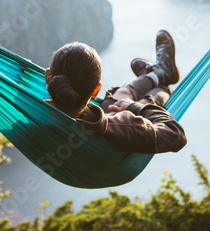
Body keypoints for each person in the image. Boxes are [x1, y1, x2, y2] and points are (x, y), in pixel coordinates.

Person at [45, 30, 187, 154]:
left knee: (119, 96)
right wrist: (134, 106)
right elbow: (176, 135)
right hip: (108, 133)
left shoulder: (32, 111)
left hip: (83, 125)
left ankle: (157, 74)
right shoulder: (124, 127)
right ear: (96, 91)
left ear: (47, 76)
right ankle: (161, 82)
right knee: (140, 101)